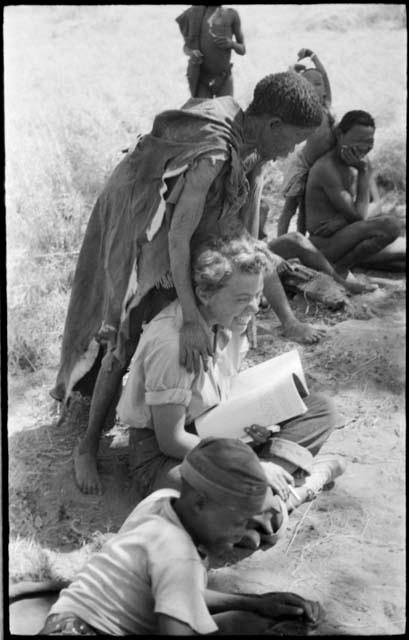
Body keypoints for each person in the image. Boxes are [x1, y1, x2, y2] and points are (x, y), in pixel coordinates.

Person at [52, 71, 327, 495]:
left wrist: (250, 285)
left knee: (207, 315)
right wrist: (191, 320)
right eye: (291, 141)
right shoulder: (214, 152)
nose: (290, 151)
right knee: (125, 334)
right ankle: (87, 447)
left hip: (198, 228)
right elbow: (177, 236)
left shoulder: (252, 143)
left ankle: (191, 416)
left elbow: (245, 219)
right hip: (149, 229)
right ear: (272, 125)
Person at [117, 236, 344, 539]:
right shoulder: (173, 344)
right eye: (241, 298)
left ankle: (271, 487)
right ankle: (304, 481)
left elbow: (221, 395)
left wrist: (250, 430)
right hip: (164, 456)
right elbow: (170, 440)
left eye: (258, 295)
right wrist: (253, 464)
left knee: (321, 409)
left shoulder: (231, 322)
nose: (254, 306)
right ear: (204, 293)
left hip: (211, 427)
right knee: (258, 520)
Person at [38, 438, 323, 635]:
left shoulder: (161, 502)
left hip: (64, 620)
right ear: (200, 503)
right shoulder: (179, 555)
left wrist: (257, 603)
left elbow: (179, 594)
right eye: (237, 521)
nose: (244, 536)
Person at [305, 110, 405, 275]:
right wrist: (364, 173)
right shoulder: (327, 168)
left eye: (369, 142)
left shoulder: (361, 161)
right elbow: (359, 217)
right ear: (340, 135)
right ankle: (339, 269)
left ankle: (349, 265)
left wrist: (343, 220)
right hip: (325, 245)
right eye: (357, 140)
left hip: (350, 238)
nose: (363, 147)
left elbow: (374, 207)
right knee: (392, 225)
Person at [277, 48, 336, 236]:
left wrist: (313, 56)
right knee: (290, 207)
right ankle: (280, 243)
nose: (318, 87)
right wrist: (292, 69)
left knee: (306, 209)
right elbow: (288, 85)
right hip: (302, 165)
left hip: (319, 167)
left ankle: (302, 242)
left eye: (319, 84)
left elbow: (324, 75)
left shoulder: (327, 107)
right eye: (311, 84)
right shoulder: (304, 109)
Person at [175, 5, 245, 98]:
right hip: (202, 79)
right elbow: (186, 49)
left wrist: (232, 44)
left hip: (224, 78)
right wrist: (192, 53)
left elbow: (242, 49)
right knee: (202, 111)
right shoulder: (195, 15)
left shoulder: (231, 14)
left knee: (225, 111)